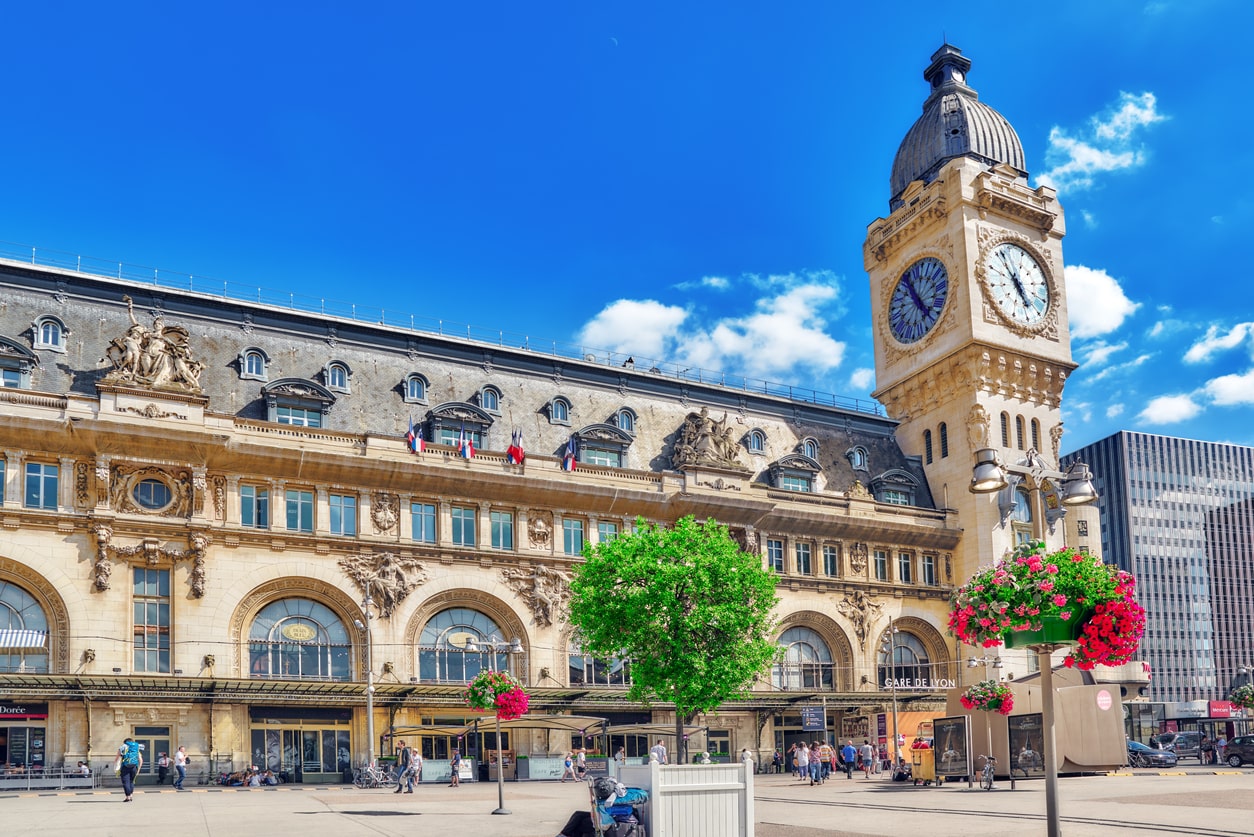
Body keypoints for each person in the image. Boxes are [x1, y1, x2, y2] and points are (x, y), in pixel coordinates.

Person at [117, 736, 143, 802]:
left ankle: (128, 797)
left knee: (126, 782)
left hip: (125, 767)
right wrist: (138, 769)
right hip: (134, 766)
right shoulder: (136, 748)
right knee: (131, 781)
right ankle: (131, 795)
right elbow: (140, 760)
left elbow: (117, 757)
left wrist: (115, 765)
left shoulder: (122, 747)